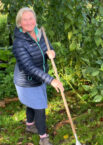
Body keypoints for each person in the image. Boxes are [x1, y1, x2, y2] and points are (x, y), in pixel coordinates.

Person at [13, 7, 64, 145]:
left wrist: (51, 52)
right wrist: (51, 80)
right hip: (27, 81)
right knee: (39, 107)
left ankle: (30, 125)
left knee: (33, 103)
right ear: (20, 22)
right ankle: (43, 138)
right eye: (25, 19)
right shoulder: (19, 43)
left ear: (35, 19)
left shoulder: (40, 33)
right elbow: (29, 68)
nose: (29, 22)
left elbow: (48, 46)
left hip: (40, 76)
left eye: (31, 18)